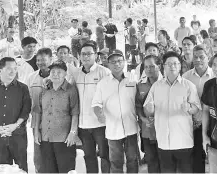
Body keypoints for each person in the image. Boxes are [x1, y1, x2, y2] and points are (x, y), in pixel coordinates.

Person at [143, 51, 201, 173]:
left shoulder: (189, 86)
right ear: (163, 66)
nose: (172, 66)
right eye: (168, 64)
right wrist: (149, 109)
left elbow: (196, 108)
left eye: (175, 63)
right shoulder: (156, 86)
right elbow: (148, 110)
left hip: (183, 140)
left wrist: (189, 108)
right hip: (164, 140)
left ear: (180, 66)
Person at [0, 57, 32, 172]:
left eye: (15, 68)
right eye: (9, 69)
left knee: (22, 169)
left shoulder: (23, 89)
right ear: (0, 70)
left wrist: (15, 125)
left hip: (18, 136)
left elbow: (26, 110)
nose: (13, 71)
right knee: (1, 170)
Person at [92, 52, 139, 173]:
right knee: (116, 161)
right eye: (113, 62)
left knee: (133, 160)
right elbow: (96, 104)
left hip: (131, 128)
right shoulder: (103, 83)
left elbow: (139, 100)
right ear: (108, 64)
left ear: (124, 62)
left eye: (119, 61)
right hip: (113, 129)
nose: (116, 64)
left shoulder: (132, 80)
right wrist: (99, 114)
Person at [70, 43, 111, 173]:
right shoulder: (76, 74)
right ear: (79, 56)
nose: (86, 56)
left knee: (105, 155)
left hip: (101, 124)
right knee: (89, 156)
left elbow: (111, 96)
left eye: (89, 53)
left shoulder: (104, 72)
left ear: (95, 55)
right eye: (83, 54)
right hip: (83, 125)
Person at [34, 60, 79, 173]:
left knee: (65, 170)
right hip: (45, 137)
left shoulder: (71, 90)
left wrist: (73, 133)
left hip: (64, 139)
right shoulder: (44, 90)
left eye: (59, 72)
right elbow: (38, 112)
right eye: (53, 71)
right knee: (48, 170)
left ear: (65, 74)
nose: (55, 74)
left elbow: (75, 113)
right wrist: (36, 132)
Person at [182, 45, 215, 173]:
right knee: (197, 157)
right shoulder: (186, 77)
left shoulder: (215, 75)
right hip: (194, 123)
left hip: (213, 122)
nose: (198, 60)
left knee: (214, 157)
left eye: (202, 57)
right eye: (195, 57)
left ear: (208, 57)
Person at [25, 48, 52, 173]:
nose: (41, 63)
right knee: (39, 152)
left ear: (51, 60)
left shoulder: (58, 75)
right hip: (37, 120)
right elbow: (26, 98)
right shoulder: (31, 77)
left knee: (53, 150)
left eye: (44, 60)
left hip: (55, 121)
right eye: (38, 60)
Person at [135, 55, 163, 173]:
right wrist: (142, 118)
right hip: (147, 130)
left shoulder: (167, 82)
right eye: (146, 67)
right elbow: (138, 106)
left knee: (165, 161)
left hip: (164, 129)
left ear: (159, 66)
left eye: (152, 66)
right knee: (151, 160)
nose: (149, 69)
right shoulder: (140, 85)